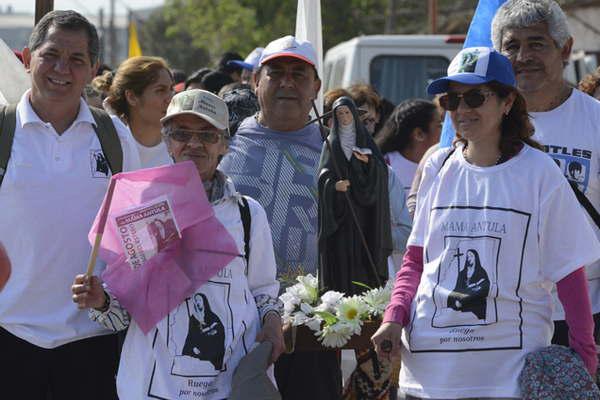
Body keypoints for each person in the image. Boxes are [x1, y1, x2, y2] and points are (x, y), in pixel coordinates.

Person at [372, 47, 599, 399]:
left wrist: (585, 358)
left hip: (508, 377)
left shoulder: (540, 173)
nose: (462, 110)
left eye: (476, 97)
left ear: (508, 101)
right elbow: (416, 260)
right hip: (428, 376)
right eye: (452, 100)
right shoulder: (436, 165)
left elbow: (569, 274)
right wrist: (394, 316)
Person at [71, 89, 284, 400]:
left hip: (232, 388)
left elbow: (263, 293)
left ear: (224, 143)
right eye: (182, 133)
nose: (194, 144)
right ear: (167, 141)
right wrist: (100, 299)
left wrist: (273, 322)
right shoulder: (143, 211)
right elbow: (123, 314)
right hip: (152, 389)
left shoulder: (247, 214)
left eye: (208, 135)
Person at [0, 10, 142, 399]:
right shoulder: (2, 131)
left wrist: (109, 293)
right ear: (27, 59)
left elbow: (135, 231)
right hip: (9, 334)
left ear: (92, 68)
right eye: (51, 55)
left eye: (77, 59)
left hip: (90, 339)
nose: (62, 68)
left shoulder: (114, 136)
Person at [218, 35, 342, 399]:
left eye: (298, 74)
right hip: (234, 330)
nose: (287, 82)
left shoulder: (342, 153)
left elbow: (392, 227)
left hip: (312, 332)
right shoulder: (222, 145)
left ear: (317, 86)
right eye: (276, 73)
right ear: (256, 80)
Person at [492, 0, 600, 345]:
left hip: (583, 313)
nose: (523, 57)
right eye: (512, 46)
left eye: (536, 43)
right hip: (502, 314)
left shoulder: (595, 121)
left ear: (565, 48)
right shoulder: (483, 122)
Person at [318, 96, 392, 295]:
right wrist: (334, 186)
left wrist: (368, 163)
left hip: (364, 212)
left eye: (347, 113)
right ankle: (340, 295)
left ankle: (366, 297)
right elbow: (323, 176)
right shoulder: (330, 144)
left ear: (353, 115)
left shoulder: (365, 141)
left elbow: (381, 172)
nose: (344, 117)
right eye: (339, 114)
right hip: (340, 214)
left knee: (363, 254)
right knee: (341, 257)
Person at [93, 56, 174, 168]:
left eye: (171, 89)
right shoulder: (105, 148)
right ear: (132, 97)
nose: (170, 98)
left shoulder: (179, 147)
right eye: (160, 90)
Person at [375, 99, 442, 193]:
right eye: (439, 126)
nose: (444, 132)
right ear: (419, 134)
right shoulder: (382, 167)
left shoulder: (442, 166)